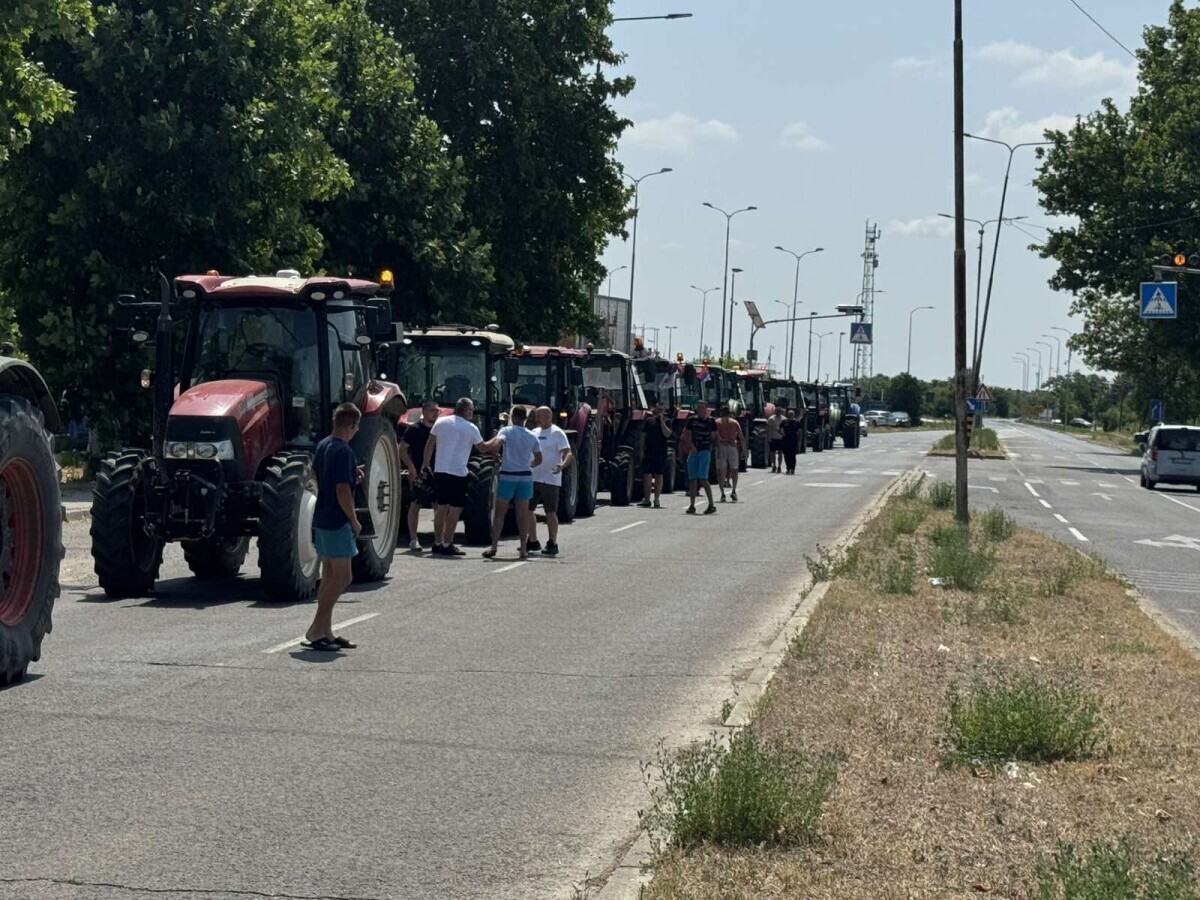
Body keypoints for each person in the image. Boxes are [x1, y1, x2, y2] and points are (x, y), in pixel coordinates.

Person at [303, 403, 363, 652]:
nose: (357, 430)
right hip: (337, 520)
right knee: (343, 576)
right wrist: (354, 519)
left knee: (329, 575)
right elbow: (342, 490)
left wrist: (352, 475)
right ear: (351, 425)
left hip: (321, 518)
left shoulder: (324, 445)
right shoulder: (344, 451)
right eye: (356, 426)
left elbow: (322, 477)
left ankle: (326, 630)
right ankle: (316, 629)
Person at [422, 397, 499, 556]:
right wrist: (497, 440)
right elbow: (483, 448)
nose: (472, 413)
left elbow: (430, 443)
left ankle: (437, 542)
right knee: (455, 510)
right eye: (471, 410)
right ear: (466, 410)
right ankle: (448, 542)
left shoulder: (441, 422)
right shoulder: (471, 428)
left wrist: (426, 464)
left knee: (441, 508)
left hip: (441, 470)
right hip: (458, 472)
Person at [485, 406, 542, 559]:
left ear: (513, 417)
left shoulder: (506, 431)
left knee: (499, 513)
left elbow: (496, 444)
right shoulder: (532, 436)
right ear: (525, 418)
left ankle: (494, 546)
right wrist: (530, 464)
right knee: (523, 514)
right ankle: (523, 548)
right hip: (525, 477)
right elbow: (538, 459)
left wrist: (495, 455)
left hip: (508, 475)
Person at [529, 406, 573, 555]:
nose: (537, 419)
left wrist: (563, 465)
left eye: (539, 416)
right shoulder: (534, 432)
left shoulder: (557, 433)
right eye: (536, 416)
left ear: (549, 417)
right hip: (533, 478)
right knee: (528, 510)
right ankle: (533, 541)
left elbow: (568, 453)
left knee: (550, 512)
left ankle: (552, 542)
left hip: (551, 479)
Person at [398, 400, 438, 552]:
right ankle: (414, 539)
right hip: (420, 473)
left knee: (438, 506)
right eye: (433, 410)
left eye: (437, 411)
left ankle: (438, 539)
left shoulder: (438, 429)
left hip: (437, 471)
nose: (436, 413)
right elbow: (401, 449)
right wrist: (410, 467)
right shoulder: (414, 429)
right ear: (425, 411)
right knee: (416, 505)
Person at [681, 400, 717, 515]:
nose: (700, 409)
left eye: (702, 407)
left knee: (703, 478)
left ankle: (711, 504)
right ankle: (692, 505)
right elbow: (686, 434)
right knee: (692, 479)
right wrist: (691, 446)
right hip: (694, 451)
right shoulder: (692, 420)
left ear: (706, 409)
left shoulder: (711, 421)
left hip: (705, 451)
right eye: (699, 407)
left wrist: (714, 447)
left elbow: (714, 436)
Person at [638, 400, 673, 509]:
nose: (659, 412)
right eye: (658, 409)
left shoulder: (667, 421)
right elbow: (643, 437)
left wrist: (661, 421)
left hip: (661, 452)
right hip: (649, 451)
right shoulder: (648, 421)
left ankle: (657, 499)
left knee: (659, 475)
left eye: (661, 410)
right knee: (647, 475)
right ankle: (647, 499)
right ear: (654, 410)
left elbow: (667, 434)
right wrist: (641, 450)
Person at [714, 406, 746, 503]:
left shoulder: (717, 422)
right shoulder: (734, 422)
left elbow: (715, 436)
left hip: (721, 446)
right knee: (734, 470)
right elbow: (741, 436)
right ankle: (733, 490)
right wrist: (744, 450)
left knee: (721, 471)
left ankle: (723, 493)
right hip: (732, 447)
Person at [780, 408, 803, 475]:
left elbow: (800, 431)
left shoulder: (796, 422)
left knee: (793, 456)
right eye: (789, 414)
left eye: (792, 414)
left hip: (794, 440)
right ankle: (788, 468)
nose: (790, 415)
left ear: (794, 415)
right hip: (786, 440)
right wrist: (782, 434)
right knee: (786, 455)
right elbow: (780, 429)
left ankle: (793, 468)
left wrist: (799, 438)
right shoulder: (784, 422)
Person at [765, 406, 785, 473]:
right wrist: (768, 438)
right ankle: (774, 465)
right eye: (776, 411)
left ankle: (779, 466)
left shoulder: (784, 419)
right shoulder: (771, 419)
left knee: (780, 453)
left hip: (781, 438)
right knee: (772, 453)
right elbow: (768, 429)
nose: (778, 412)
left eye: (779, 411)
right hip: (773, 438)